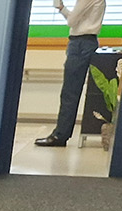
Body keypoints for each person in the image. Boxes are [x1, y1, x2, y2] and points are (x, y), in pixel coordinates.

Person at [35, 0, 107, 147]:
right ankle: (61, 134)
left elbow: (71, 21)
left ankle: (60, 135)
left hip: (80, 43)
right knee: (71, 91)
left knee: (70, 92)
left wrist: (63, 9)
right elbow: (74, 19)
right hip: (85, 42)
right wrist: (61, 8)